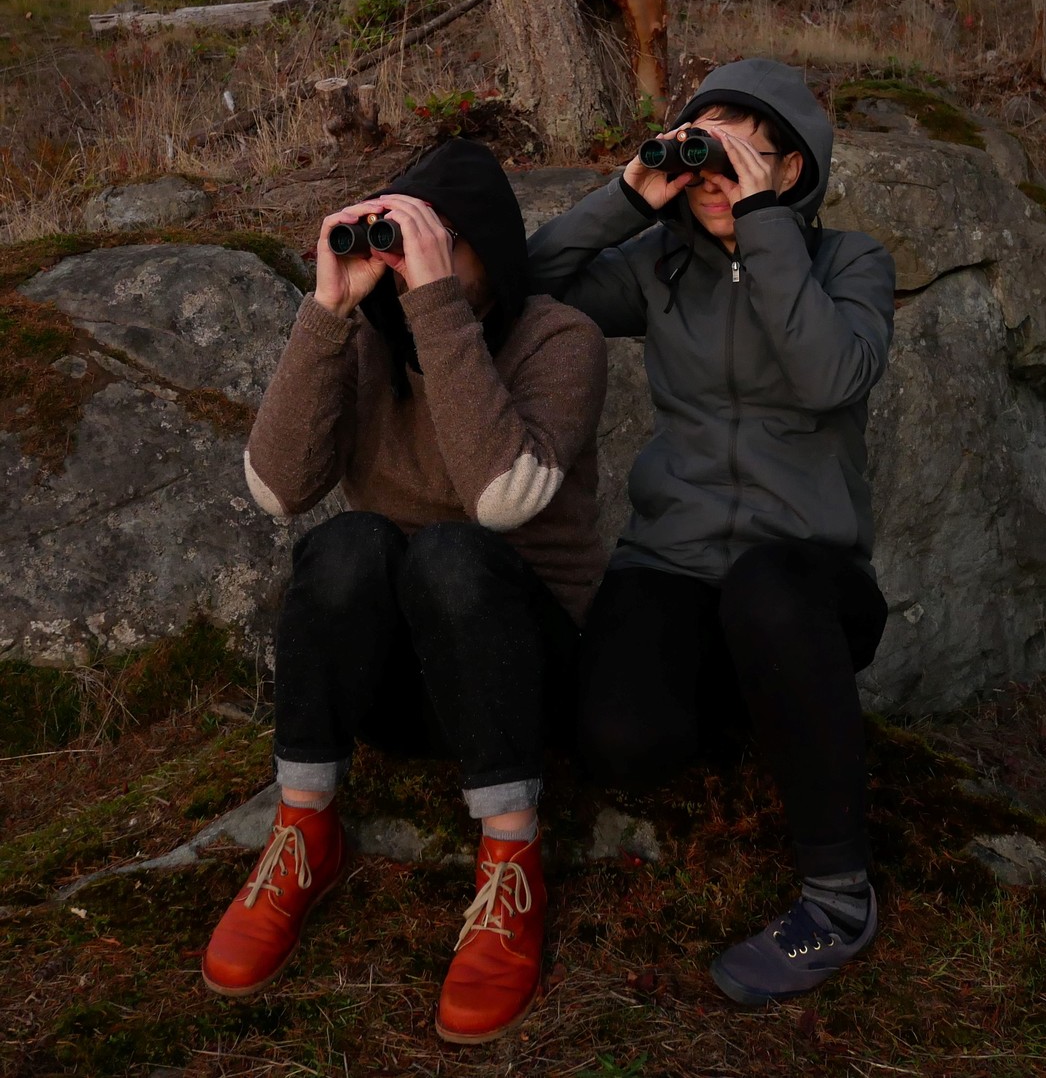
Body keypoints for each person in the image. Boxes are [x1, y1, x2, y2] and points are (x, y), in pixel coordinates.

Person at [201, 138, 608, 1044]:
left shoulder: (560, 339)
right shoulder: (365, 338)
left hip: (524, 681)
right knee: (345, 542)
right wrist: (326, 309)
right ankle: (305, 833)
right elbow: (275, 490)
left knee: (450, 555)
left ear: (491, 251)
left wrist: (434, 307)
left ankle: (511, 858)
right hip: (403, 687)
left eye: (435, 239)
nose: (408, 257)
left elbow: (501, 498)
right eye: (398, 237)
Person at [527, 56, 896, 1005]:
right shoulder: (659, 264)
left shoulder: (848, 262)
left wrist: (766, 226)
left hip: (806, 580)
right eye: (712, 154)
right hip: (676, 565)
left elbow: (829, 378)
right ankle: (772, 711)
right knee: (620, 742)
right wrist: (629, 194)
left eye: (755, 155)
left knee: (768, 593)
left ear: (796, 170)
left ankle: (838, 896)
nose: (725, 177)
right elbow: (529, 296)